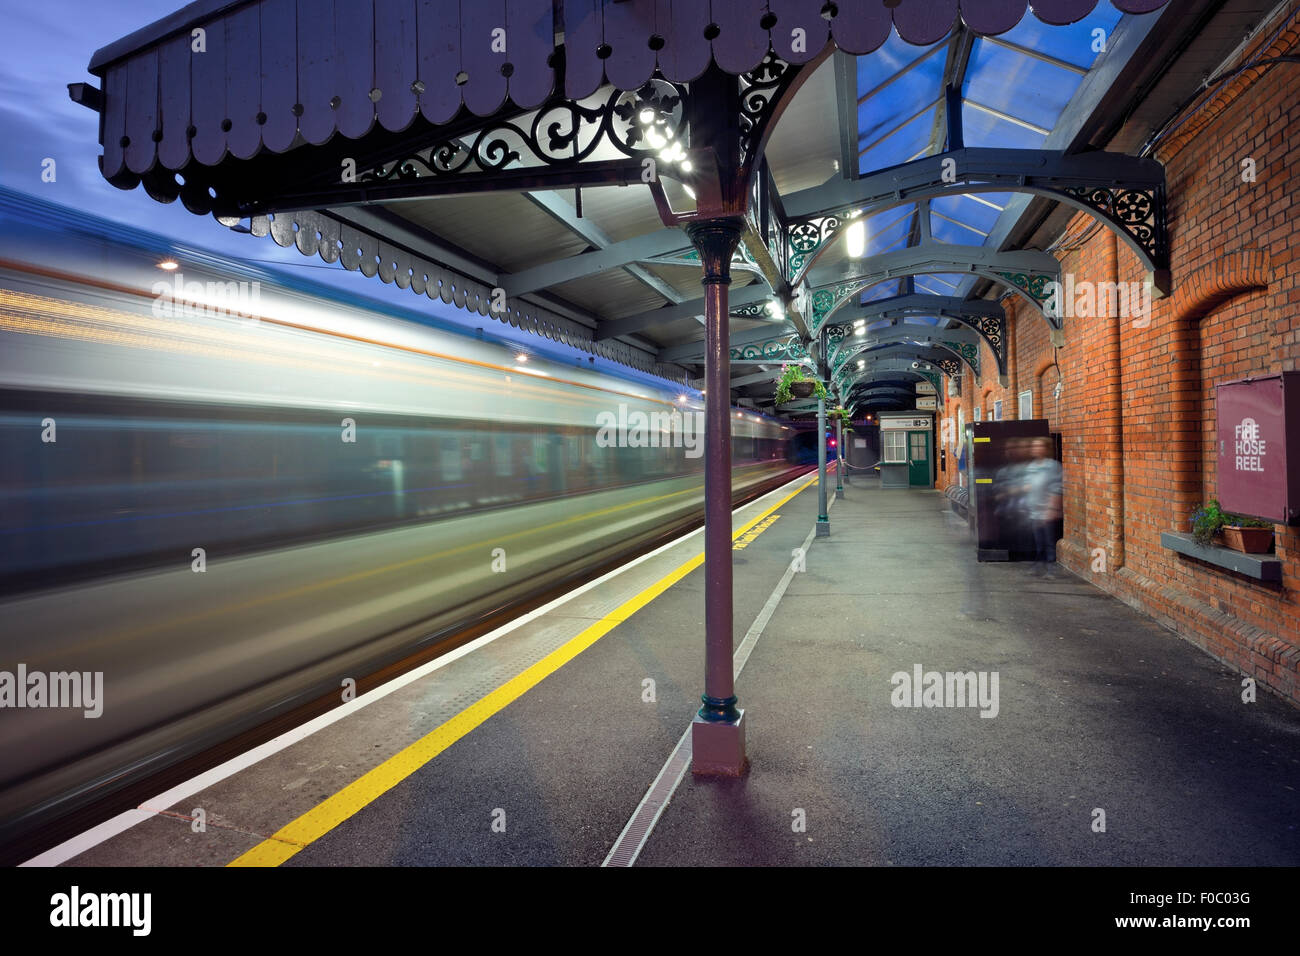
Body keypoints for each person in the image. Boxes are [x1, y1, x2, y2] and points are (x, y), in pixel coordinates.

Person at [1022, 437, 1063, 577]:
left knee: (1049, 542)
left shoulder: (1053, 466)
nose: (1036, 449)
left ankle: (1051, 570)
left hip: (1047, 512)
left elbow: (1057, 488)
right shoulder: (1031, 466)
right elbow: (1028, 486)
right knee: (1039, 541)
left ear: (1046, 448)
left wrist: (1051, 509)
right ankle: (1039, 566)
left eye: (1039, 446)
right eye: (1034, 446)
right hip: (1034, 512)